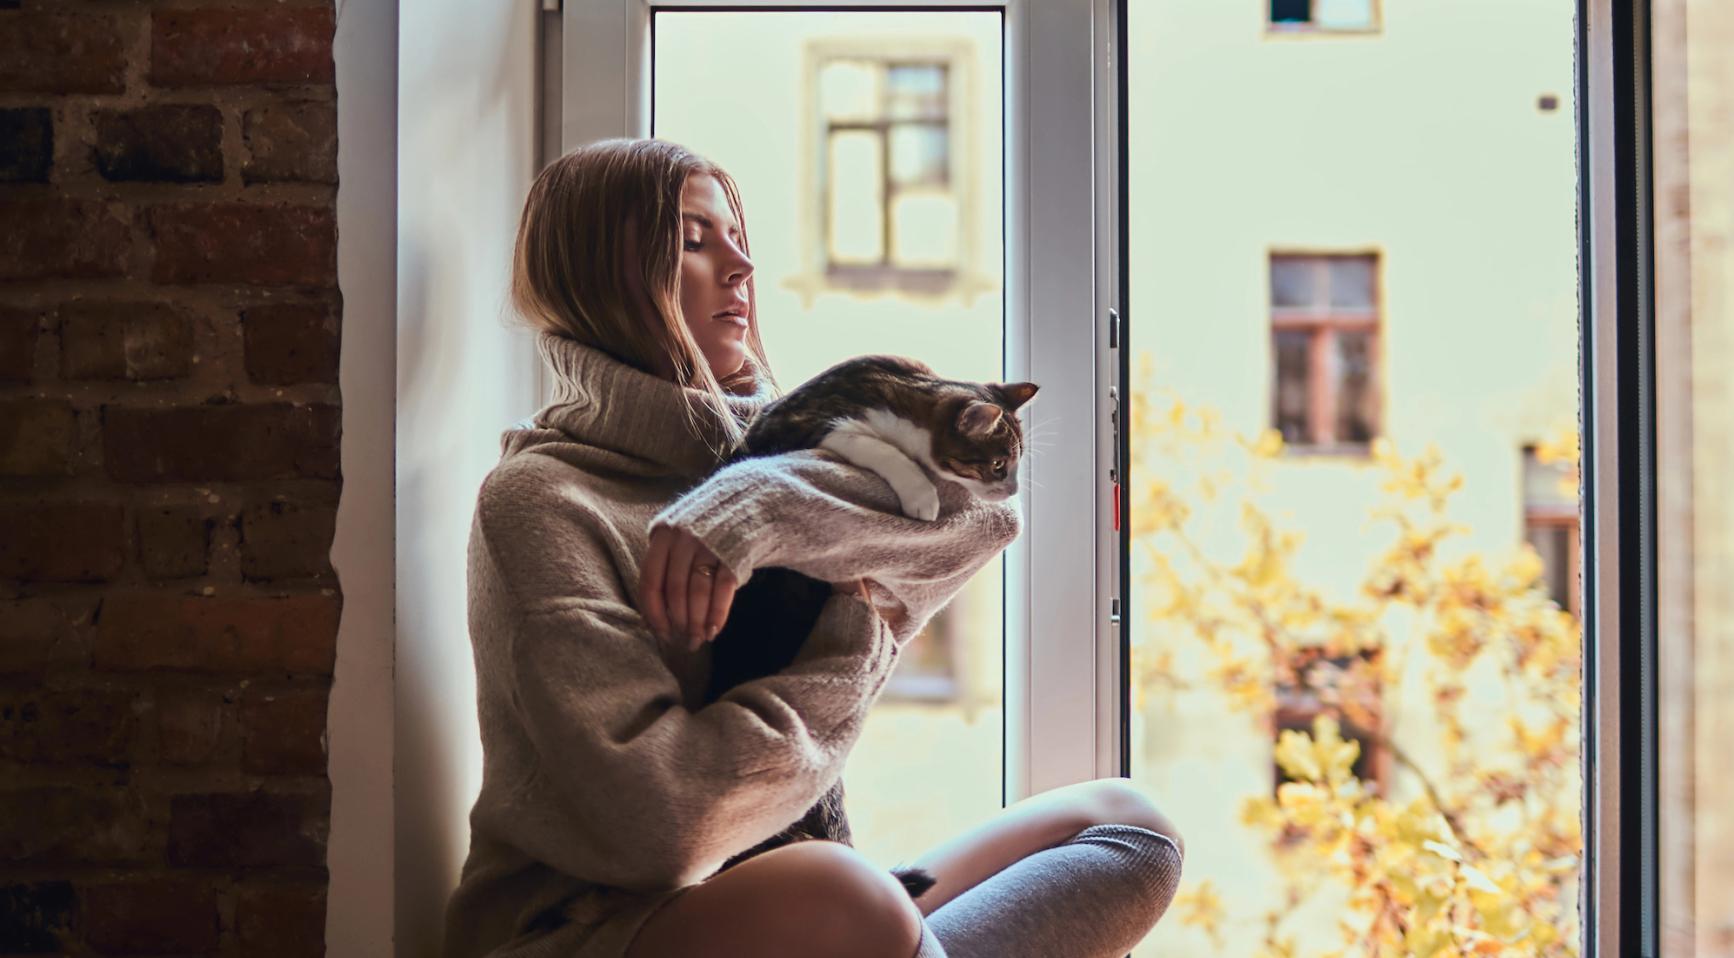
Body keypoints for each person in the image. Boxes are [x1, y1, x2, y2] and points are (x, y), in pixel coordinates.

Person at [442, 137, 1185, 958]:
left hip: (809, 912)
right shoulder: (544, 502)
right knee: (842, 891)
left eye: (735, 235)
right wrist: (859, 621)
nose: (741, 264)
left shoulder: (784, 453)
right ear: (600, 277)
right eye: (693, 240)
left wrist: (754, 509)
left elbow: (981, 521)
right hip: (602, 929)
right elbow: (669, 827)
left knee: (1127, 829)